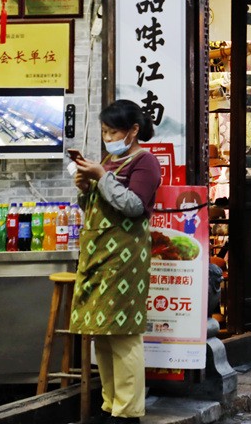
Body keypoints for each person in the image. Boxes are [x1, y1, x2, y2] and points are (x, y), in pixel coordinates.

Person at [70, 100, 162, 424]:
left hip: (125, 260)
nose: (107, 137)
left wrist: (100, 176)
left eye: (112, 131)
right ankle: (110, 404)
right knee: (103, 334)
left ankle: (128, 412)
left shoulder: (146, 162)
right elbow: (95, 205)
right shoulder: (109, 161)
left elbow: (134, 205)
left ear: (134, 130)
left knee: (123, 336)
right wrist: (85, 187)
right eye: (105, 131)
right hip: (98, 255)